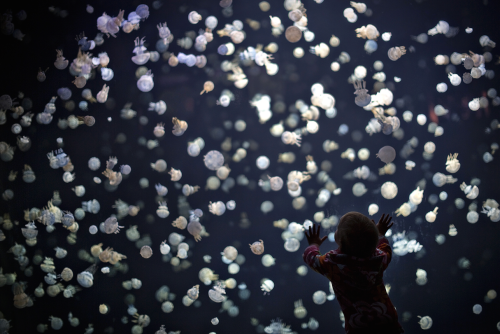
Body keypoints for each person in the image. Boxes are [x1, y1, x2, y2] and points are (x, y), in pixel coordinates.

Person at [303, 212, 404, 334]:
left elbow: (311, 258)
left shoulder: (333, 263)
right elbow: (386, 249)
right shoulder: (379, 259)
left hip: (358, 326)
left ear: (338, 239)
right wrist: (380, 234)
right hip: (388, 321)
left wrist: (313, 244)